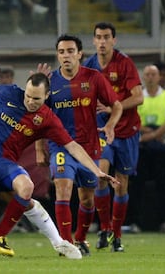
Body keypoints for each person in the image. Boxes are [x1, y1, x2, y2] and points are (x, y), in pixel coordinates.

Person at [0, 70, 119, 260]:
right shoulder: (10, 92)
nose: (30, 102)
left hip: (5, 163)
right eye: (29, 96)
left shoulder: (48, 120)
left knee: (27, 187)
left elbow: (73, 146)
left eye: (37, 99)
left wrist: (97, 170)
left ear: (47, 96)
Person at [35, 34, 122, 256]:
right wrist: (38, 148)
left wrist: (111, 125)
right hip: (60, 146)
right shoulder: (50, 81)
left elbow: (117, 105)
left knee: (87, 198)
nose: (66, 55)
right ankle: (66, 243)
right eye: (62, 52)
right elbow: (35, 115)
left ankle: (81, 239)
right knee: (63, 191)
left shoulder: (93, 78)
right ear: (58, 55)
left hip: (89, 148)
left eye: (70, 51)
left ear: (79, 54)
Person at [83, 22, 143, 252]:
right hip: (101, 130)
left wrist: (112, 108)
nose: (102, 41)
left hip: (126, 131)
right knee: (100, 175)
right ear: (93, 40)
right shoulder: (89, 64)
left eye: (106, 37)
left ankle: (117, 235)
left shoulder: (124, 63)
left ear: (113, 40)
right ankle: (105, 228)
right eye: (98, 37)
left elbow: (138, 98)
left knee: (121, 185)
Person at [129, 65, 165, 233]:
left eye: (153, 74)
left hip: (162, 148)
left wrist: (154, 134)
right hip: (141, 148)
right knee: (137, 186)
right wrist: (144, 130)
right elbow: (132, 119)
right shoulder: (137, 96)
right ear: (143, 77)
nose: (150, 77)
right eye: (147, 74)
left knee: (163, 187)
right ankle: (135, 222)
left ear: (159, 77)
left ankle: (164, 222)